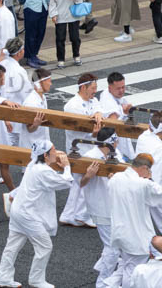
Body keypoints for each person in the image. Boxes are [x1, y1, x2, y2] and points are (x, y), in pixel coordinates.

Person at [0, 142, 74, 288]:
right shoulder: (43, 171)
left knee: (12, 246)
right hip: (28, 215)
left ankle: (3, 278)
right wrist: (67, 166)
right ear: (45, 155)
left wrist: (56, 154)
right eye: (54, 150)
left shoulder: (33, 164)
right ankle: (36, 280)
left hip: (18, 210)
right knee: (45, 246)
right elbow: (65, 182)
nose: (56, 152)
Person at [108, 154, 162, 285]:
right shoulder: (143, 184)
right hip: (136, 236)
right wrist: (150, 179)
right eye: (149, 170)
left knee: (124, 266)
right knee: (132, 271)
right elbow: (159, 194)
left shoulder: (115, 178)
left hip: (119, 231)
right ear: (144, 168)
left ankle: (106, 285)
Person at [59, 73, 104, 228]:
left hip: (89, 146)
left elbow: (98, 107)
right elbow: (77, 131)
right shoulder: (73, 105)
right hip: (77, 147)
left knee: (79, 181)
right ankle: (81, 215)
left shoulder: (93, 100)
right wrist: (94, 133)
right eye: (93, 88)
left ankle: (69, 214)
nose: (95, 91)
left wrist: (98, 113)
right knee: (86, 179)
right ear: (83, 87)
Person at [82, 128, 120, 287]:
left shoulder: (115, 154)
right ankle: (102, 283)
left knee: (116, 245)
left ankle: (106, 274)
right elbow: (78, 183)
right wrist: (88, 176)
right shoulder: (89, 157)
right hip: (99, 207)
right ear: (111, 142)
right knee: (113, 248)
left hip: (114, 206)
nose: (118, 143)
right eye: (116, 140)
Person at [50, 0, 86, 68]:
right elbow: (53, 1)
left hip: (73, 15)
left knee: (75, 37)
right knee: (60, 38)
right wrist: (53, 14)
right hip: (60, 15)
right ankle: (61, 59)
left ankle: (76, 56)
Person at [99, 72, 135, 162]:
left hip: (120, 144)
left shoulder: (110, 94)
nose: (122, 91)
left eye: (123, 87)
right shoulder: (108, 101)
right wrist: (125, 113)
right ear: (110, 88)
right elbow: (113, 123)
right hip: (116, 147)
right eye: (118, 88)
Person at [19, 69, 52, 149]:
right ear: (40, 83)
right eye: (49, 81)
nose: (51, 84)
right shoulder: (31, 102)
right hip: (31, 147)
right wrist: (35, 125)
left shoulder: (43, 97)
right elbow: (29, 129)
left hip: (42, 145)